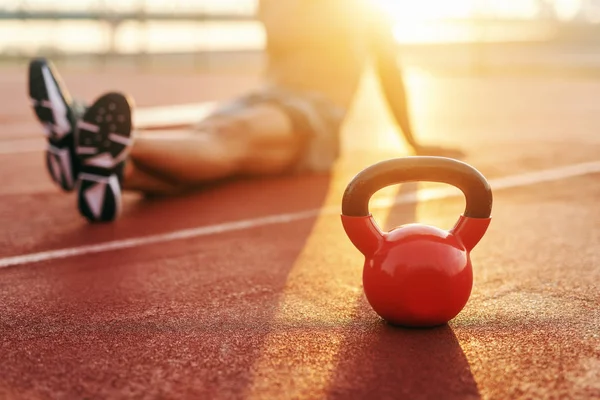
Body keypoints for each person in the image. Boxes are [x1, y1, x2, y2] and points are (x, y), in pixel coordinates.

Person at [28, 0, 463, 223]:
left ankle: (91, 139)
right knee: (208, 144)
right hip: (262, 96)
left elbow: (389, 70)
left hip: (313, 114)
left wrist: (413, 141)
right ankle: (105, 170)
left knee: (224, 140)